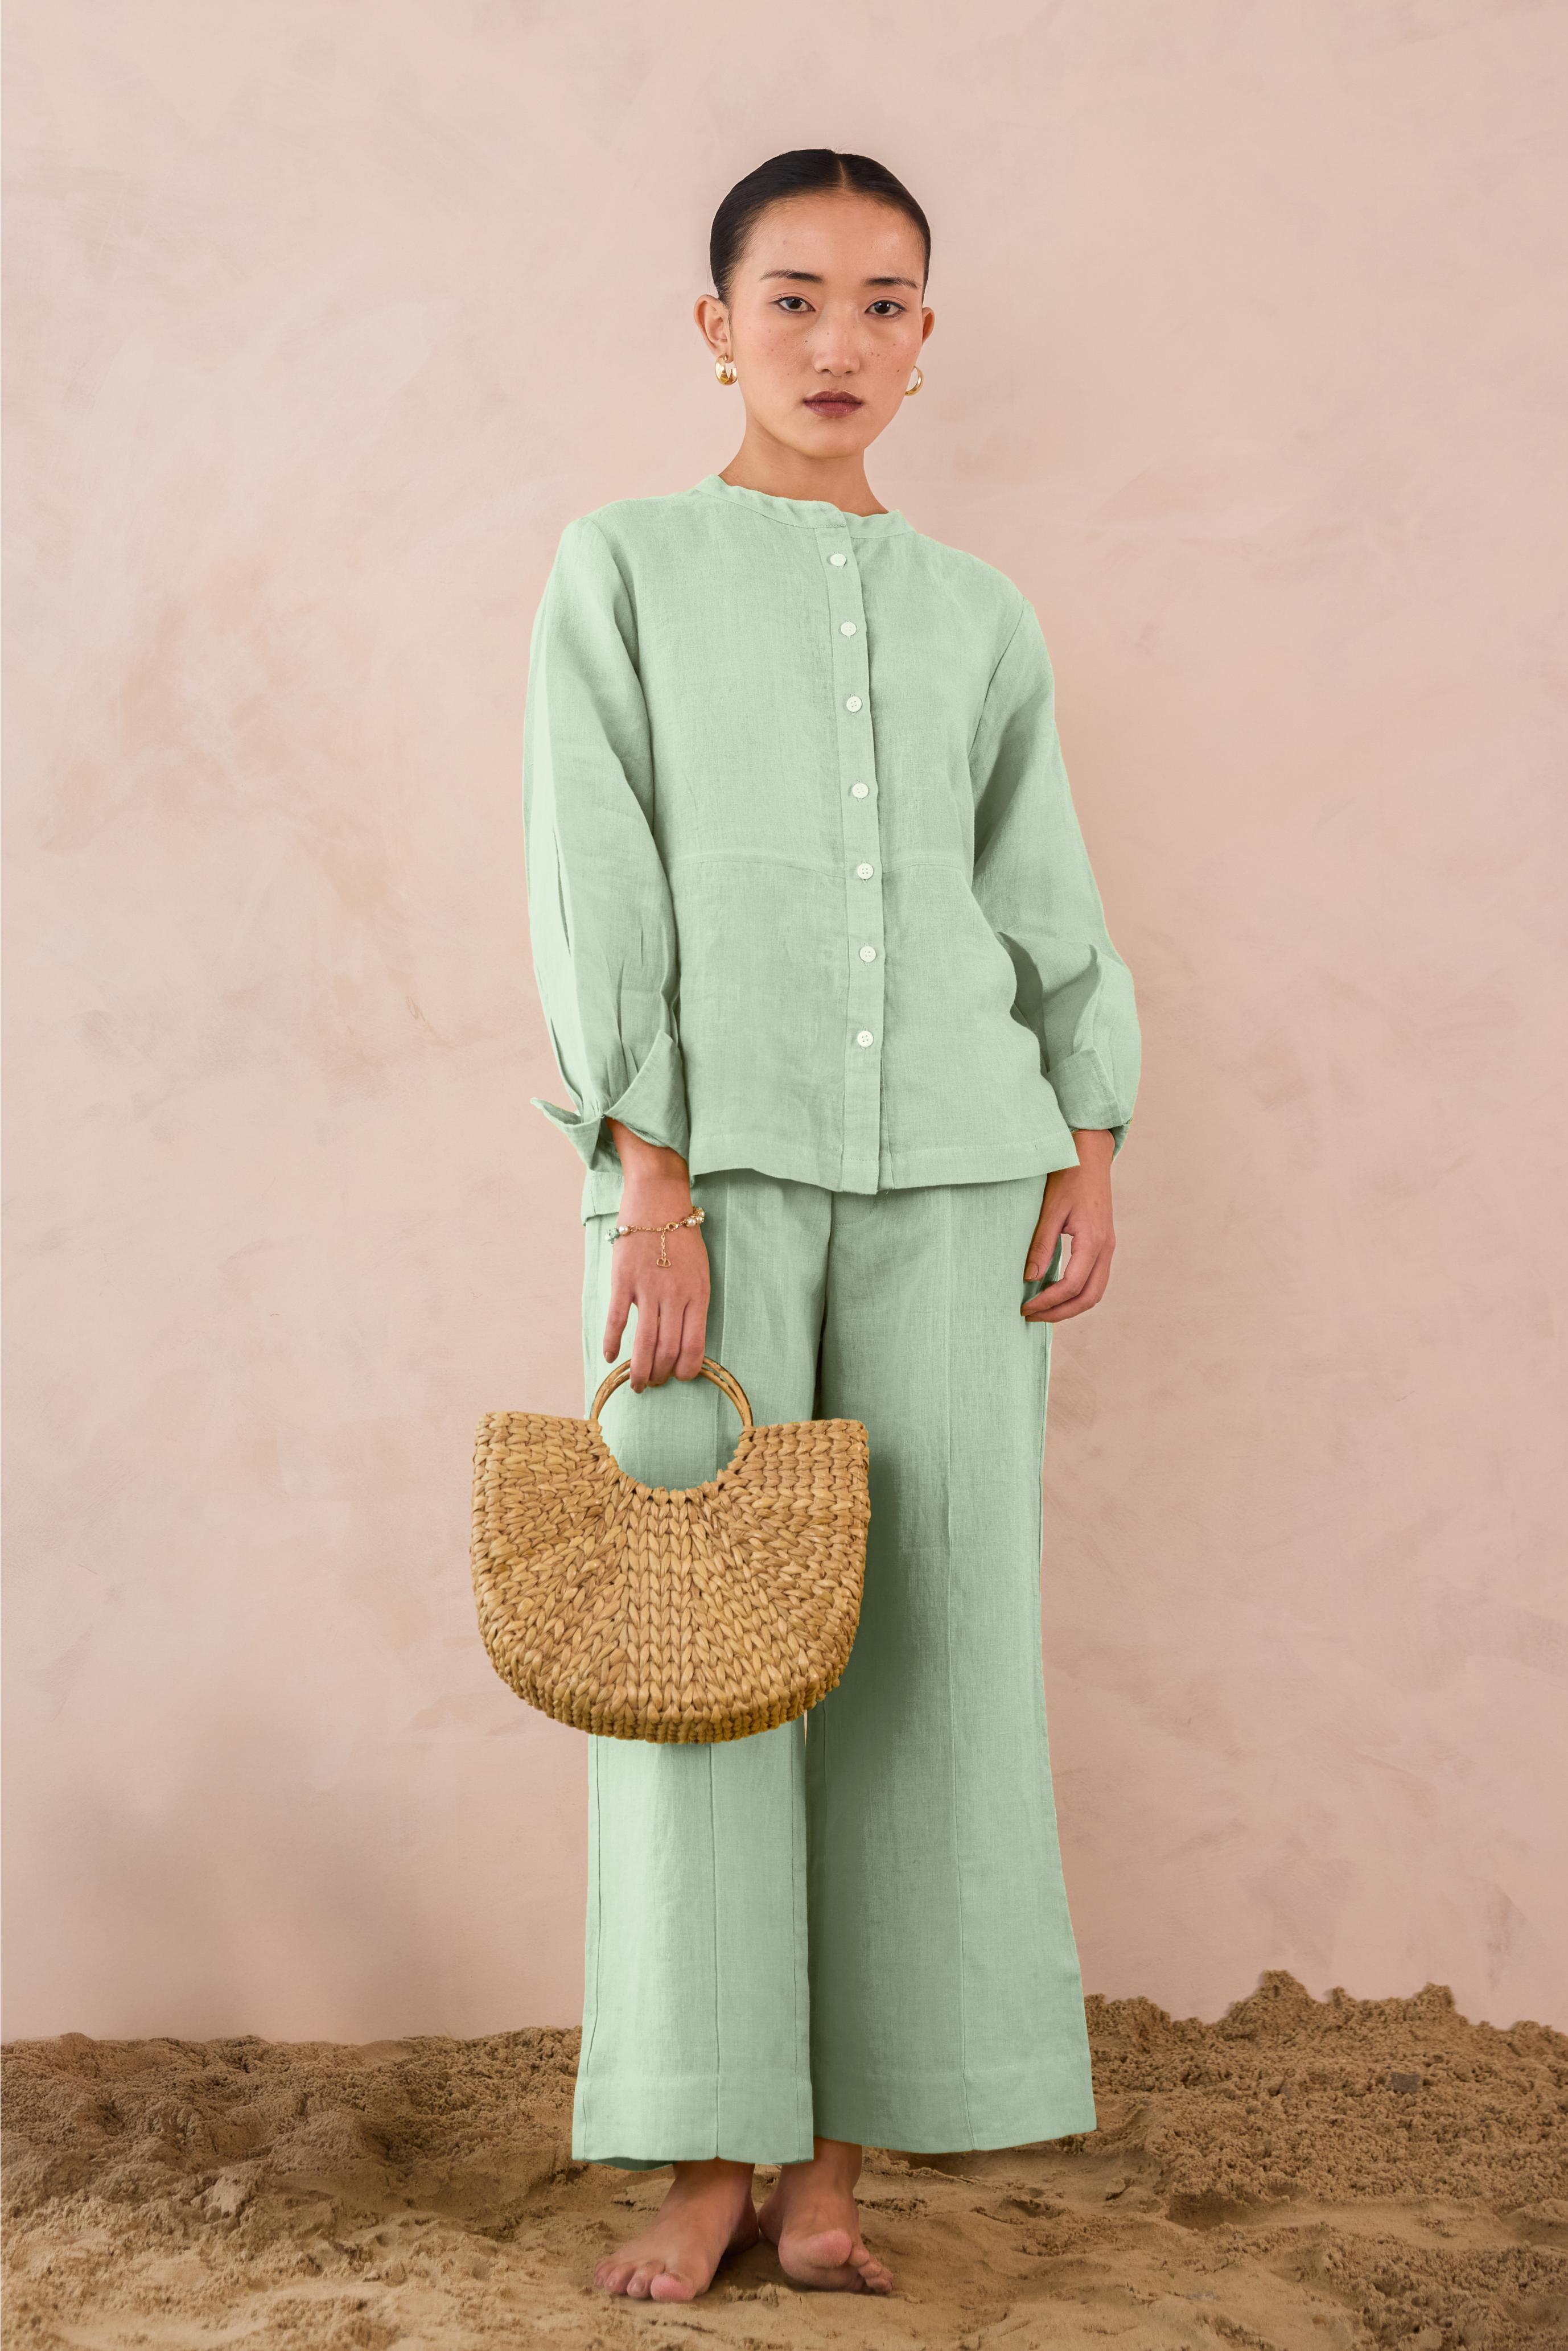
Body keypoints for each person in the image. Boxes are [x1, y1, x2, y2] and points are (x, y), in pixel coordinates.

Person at [520, 147, 1142, 2305]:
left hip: (963, 1169)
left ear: (925, 341)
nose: (835, 342)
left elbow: (1038, 886)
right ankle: (708, 2153)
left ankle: (833, 2174)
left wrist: (1085, 1135)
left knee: (925, 1655)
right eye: (790, 298)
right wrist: (650, 1175)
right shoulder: (621, 565)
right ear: (715, 328)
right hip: (714, 1174)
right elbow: (594, 870)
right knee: (701, 1652)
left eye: (881, 304)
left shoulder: (980, 612)